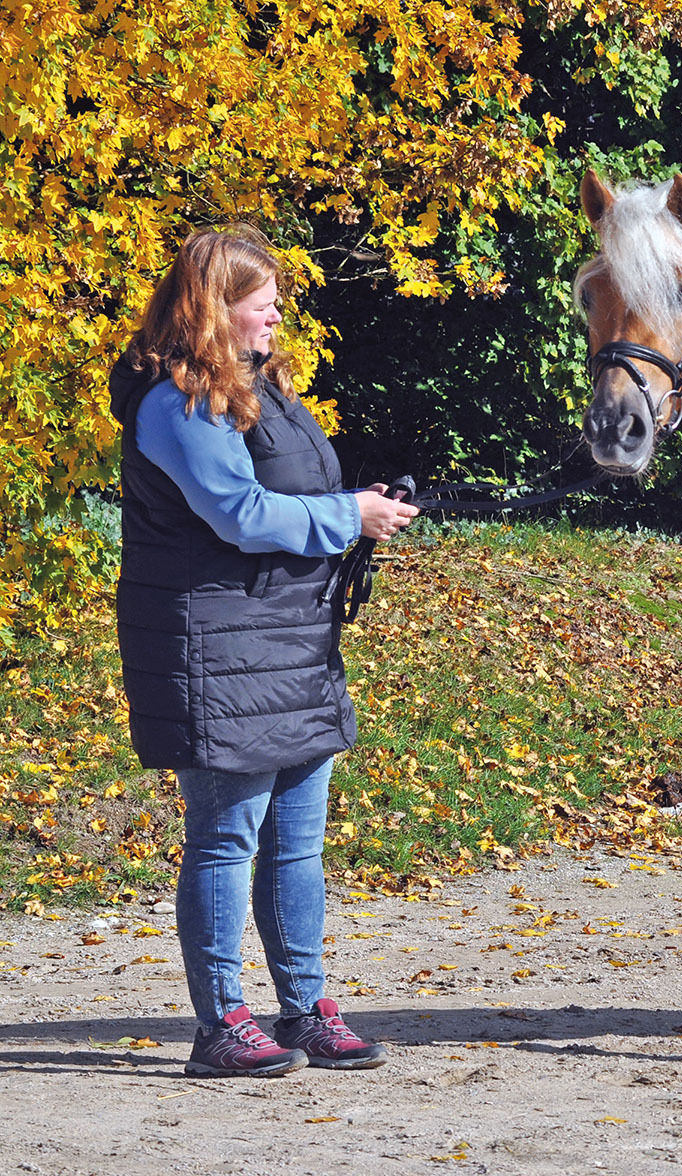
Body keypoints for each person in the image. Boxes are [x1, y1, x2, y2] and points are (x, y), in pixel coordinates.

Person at [108, 225, 418, 1078]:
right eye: (263, 298)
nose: (277, 310)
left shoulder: (260, 387)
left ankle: (303, 1010)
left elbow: (293, 494)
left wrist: (359, 502)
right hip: (216, 645)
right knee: (225, 836)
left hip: (289, 640)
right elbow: (238, 514)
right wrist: (344, 517)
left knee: (296, 843)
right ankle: (222, 1025)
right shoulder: (178, 401)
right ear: (219, 304)